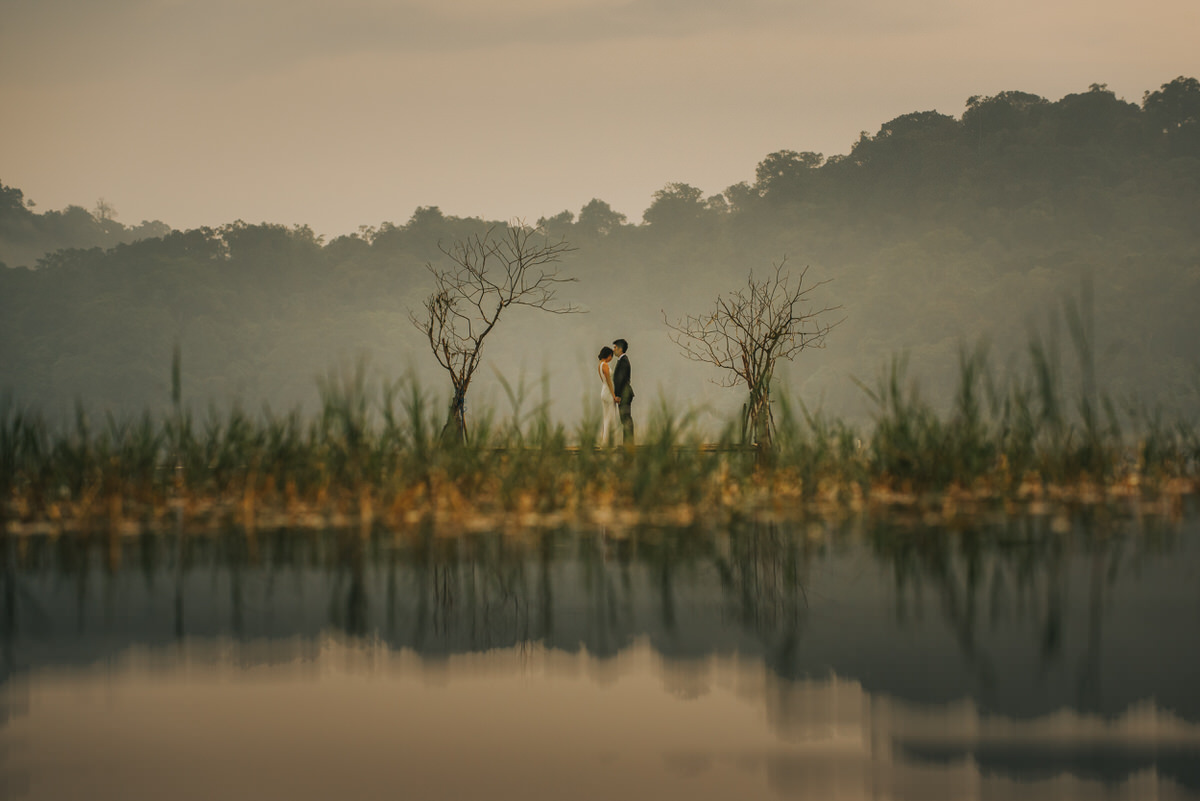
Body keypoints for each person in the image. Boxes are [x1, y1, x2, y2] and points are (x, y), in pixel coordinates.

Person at [611, 338, 634, 447]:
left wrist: (618, 395)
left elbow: (620, 379)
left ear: (620, 349)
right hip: (623, 393)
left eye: (615, 347)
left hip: (624, 394)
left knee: (626, 419)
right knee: (625, 419)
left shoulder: (624, 361)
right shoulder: (622, 360)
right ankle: (627, 443)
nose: (613, 350)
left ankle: (628, 444)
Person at [597, 346, 618, 446]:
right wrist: (614, 395)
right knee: (611, 416)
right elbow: (609, 382)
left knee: (606, 416)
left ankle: (605, 440)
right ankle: (610, 442)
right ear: (608, 355)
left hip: (603, 390)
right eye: (611, 356)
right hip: (608, 391)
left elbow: (604, 381)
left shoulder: (599, 365)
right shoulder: (605, 365)